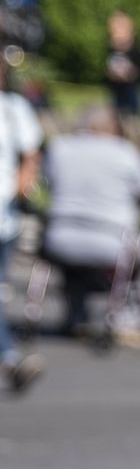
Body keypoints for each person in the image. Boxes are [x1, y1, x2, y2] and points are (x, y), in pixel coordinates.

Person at [41, 106, 140, 344]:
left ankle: (76, 316)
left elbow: (46, 181)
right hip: (111, 241)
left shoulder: (60, 147)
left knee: (75, 263)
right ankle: (129, 320)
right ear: (111, 127)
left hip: (60, 237)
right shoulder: (124, 152)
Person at [0, 63, 45, 392]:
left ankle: (9, 355)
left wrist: (22, 184)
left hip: (5, 214)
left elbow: (31, 155)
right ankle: (10, 355)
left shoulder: (14, 108)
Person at [104, 9, 140, 147]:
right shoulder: (111, 47)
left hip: (130, 95)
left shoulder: (136, 48)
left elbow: (138, 70)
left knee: (132, 126)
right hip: (117, 94)